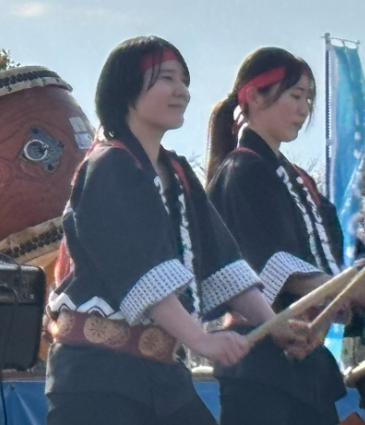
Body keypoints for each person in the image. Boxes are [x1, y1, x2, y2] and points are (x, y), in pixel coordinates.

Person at [45, 36, 308, 425]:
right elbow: (143, 271)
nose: (181, 91)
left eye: (184, 80)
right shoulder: (109, 166)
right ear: (126, 87)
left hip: (164, 379)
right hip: (98, 379)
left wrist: (275, 325)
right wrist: (202, 340)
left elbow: (224, 266)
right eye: (166, 78)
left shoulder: (180, 174)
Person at [206, 47, 356, 425]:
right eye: (295, 95)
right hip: (259, 368)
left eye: (308, 98)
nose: (304, 108)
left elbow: (326, 267)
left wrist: (337, 306)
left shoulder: (299, 183)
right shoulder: (241, 171)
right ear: (253, 96)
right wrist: (346, 287)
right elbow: (272, 265)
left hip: (305, 368)